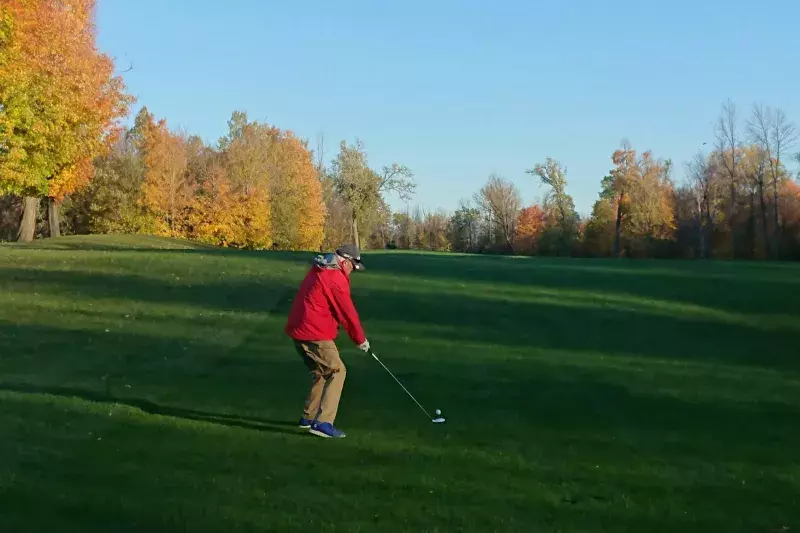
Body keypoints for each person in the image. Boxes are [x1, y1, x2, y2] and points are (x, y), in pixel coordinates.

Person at [284, 244, 369, 438]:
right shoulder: (335, 277)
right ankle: (323, 423)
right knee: (338, 371)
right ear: (346, 262)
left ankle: (308, 418)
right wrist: (360, 340)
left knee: (320, 371)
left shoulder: (319, 268)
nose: (352, 271)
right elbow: (347, 313)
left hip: (299, 331)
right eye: (353, 267)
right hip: (314, 332)